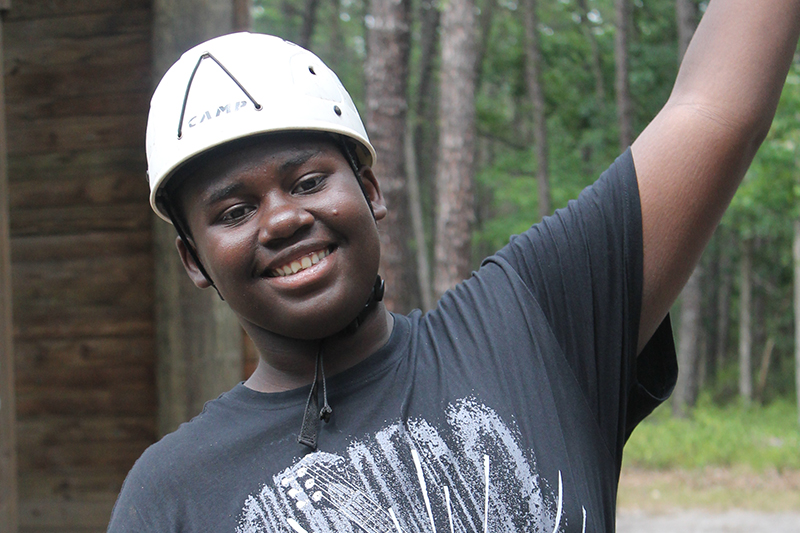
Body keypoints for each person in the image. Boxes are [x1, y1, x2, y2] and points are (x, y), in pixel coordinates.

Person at [108, 1, 800, 531]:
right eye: (233, 210)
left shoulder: (529, 325)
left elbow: (717, 109)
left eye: (310, 178)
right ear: (194, 260)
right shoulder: (172, 493)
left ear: (370, 189)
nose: (283, 217)